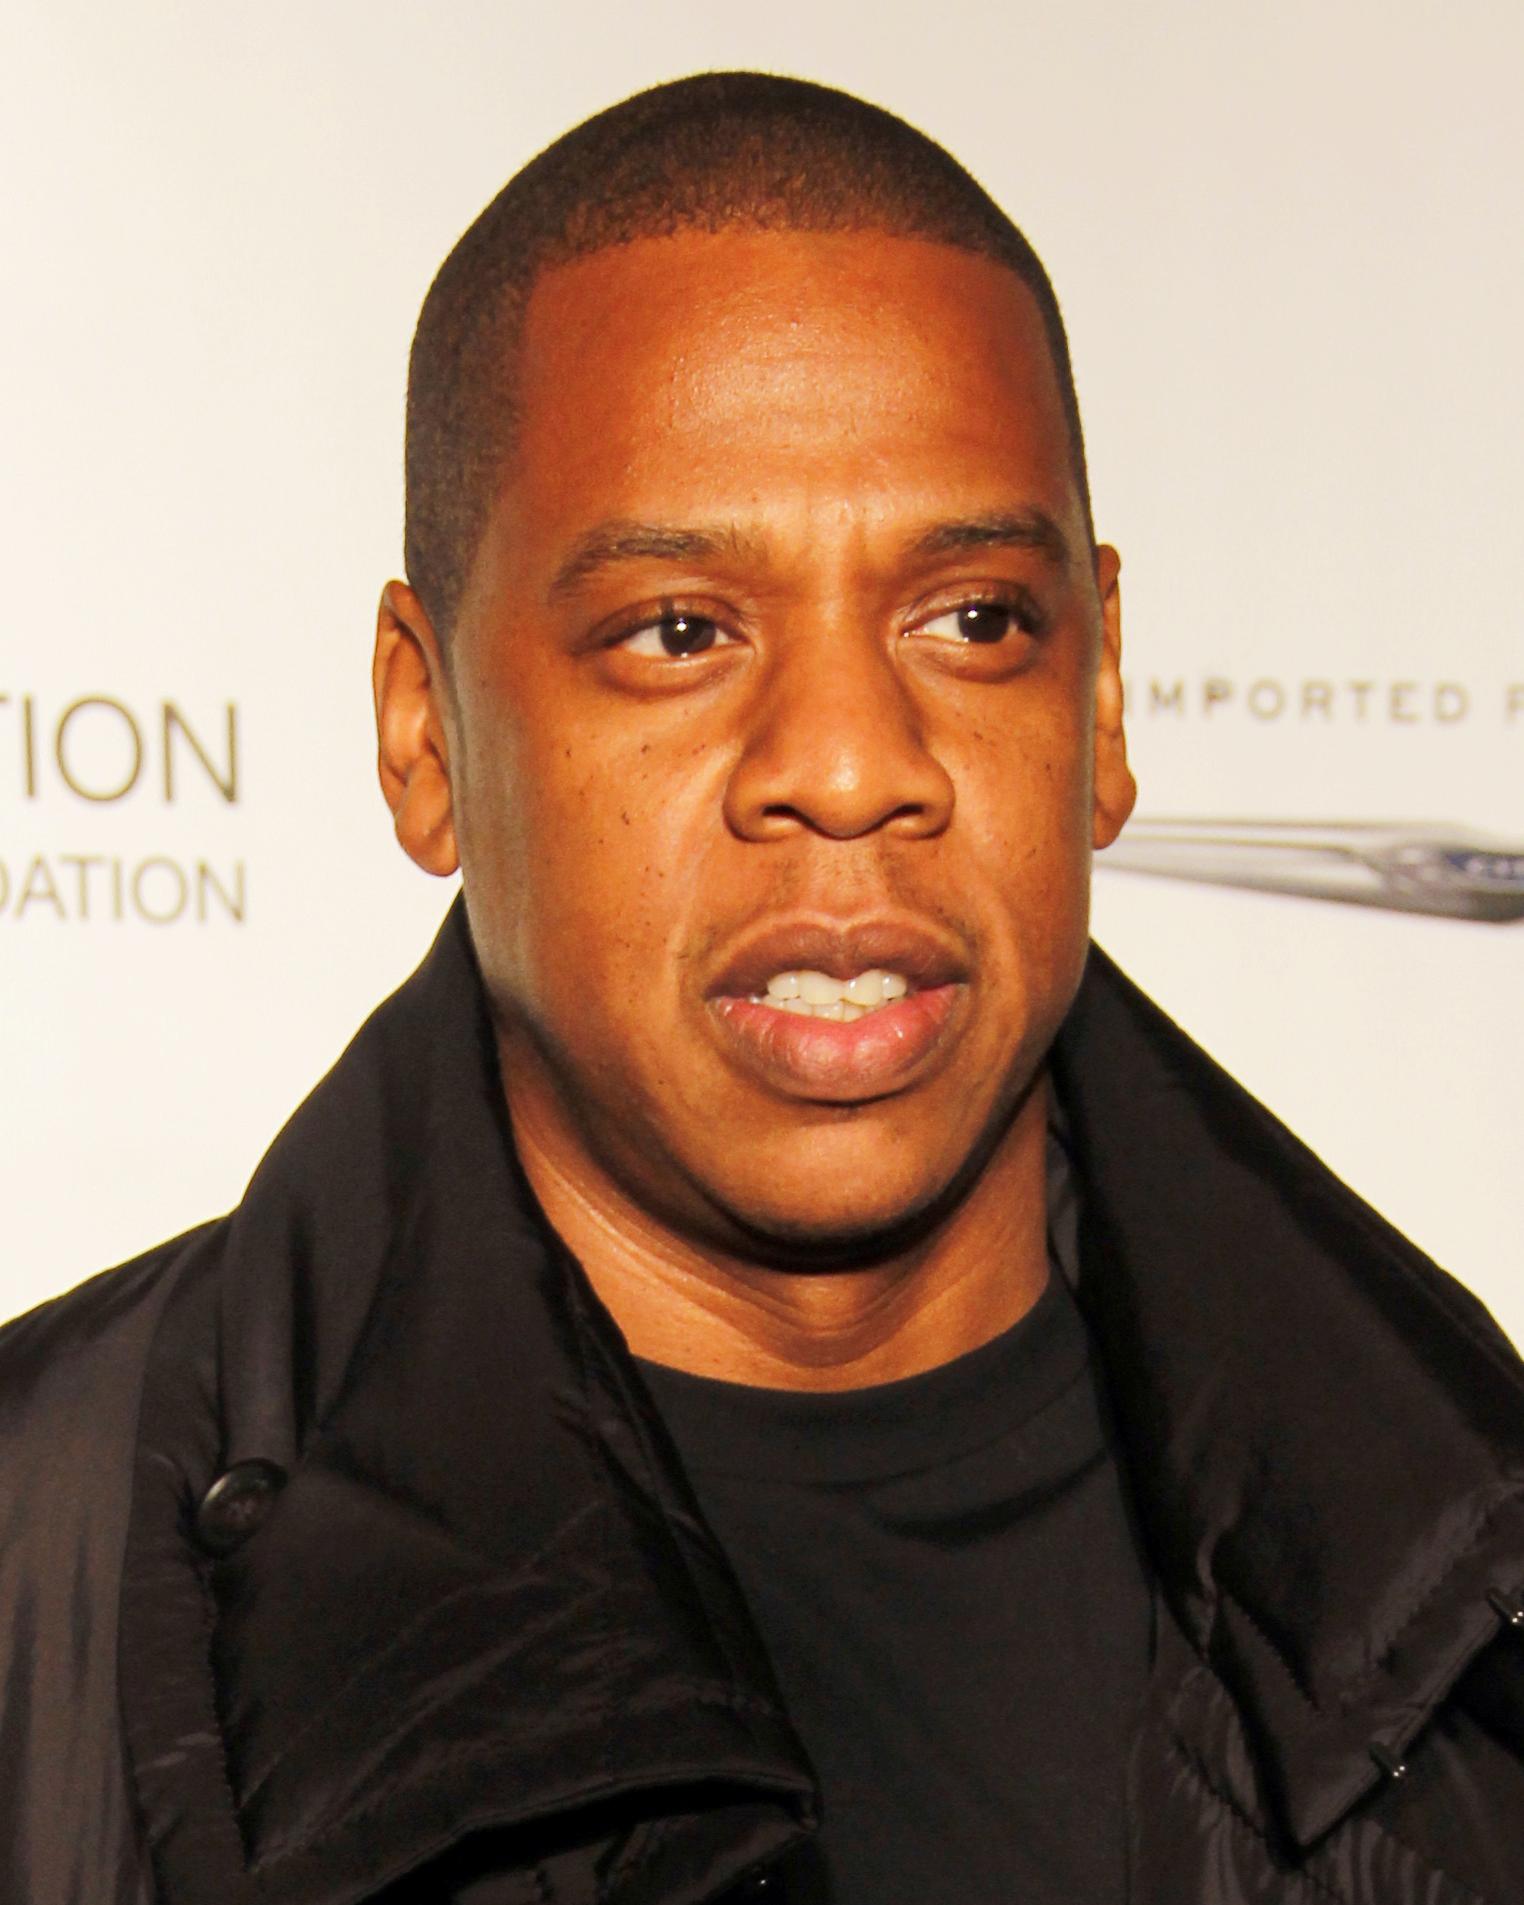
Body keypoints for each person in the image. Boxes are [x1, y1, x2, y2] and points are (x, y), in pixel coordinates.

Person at [2, 70, 1521, 1905]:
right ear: (425, 732)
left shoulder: (1469, 1552)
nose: (850, 763)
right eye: (679, 632)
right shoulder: (44, 1564)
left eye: (974, 618)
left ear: (1104, 692)